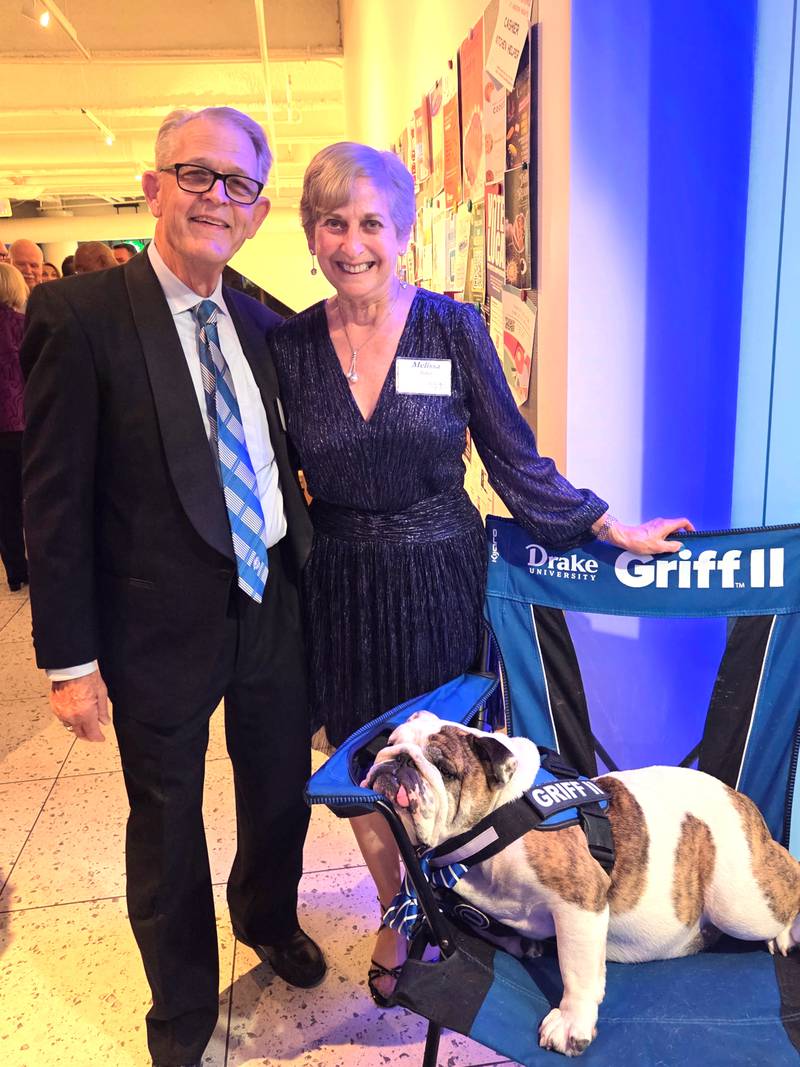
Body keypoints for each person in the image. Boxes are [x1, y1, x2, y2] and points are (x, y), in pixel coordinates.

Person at [269, 141, 693, 1006]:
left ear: (406, 228)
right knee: (365, 767)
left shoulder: (454, 330)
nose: (353, 243)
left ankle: (463, 896)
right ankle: (401, 907)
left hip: (442, 578)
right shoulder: (290, 347)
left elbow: (514, 460)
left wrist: (611, 524)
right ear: (311, 234)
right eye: (333, 223)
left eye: (371, 223)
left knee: (454, 760)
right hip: (344, 586)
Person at [21, 106, 325, 1067]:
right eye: (196, 174)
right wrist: (71, 661)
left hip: (269, 595)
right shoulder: (79, 317)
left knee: (280, 787)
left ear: (259, 210)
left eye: (236, 185)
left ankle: (267, 916)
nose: (215, 198)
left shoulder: (262, 314)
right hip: (153, 622)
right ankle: (183, 1001)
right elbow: (54, 502)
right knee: (168, 820)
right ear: (154, 186)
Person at [0, 263, 28, 592]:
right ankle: (36, 566)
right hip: (24, 423)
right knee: (32, 501)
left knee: (4, 504)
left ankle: (14, 572)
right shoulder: (24, 324)